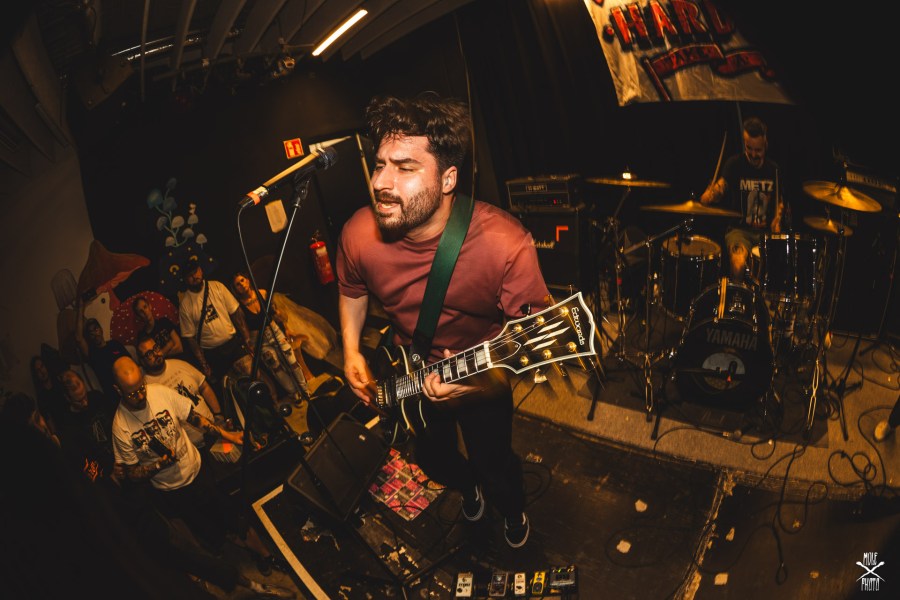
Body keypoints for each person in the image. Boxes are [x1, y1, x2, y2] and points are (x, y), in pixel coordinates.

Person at [336, 93, 550, 549]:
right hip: (409, 370)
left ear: (448, 178)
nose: (381, 182)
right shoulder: (357, 232)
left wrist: (475, 385)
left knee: (494, 463)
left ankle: (511, 511)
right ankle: (467, 487)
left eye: (405, 168)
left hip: (481, 371)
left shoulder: (505, 244)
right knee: (433, 460)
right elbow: (352, 289)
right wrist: (351, 350)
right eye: (380, 165)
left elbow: (531, 349)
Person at [110, 356, 289, 577]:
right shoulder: (120, 427)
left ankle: (266, 555)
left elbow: (195, 418)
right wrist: (158, 465)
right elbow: (132, 474)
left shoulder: (159, 392)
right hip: (173, 492)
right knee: (214, 532)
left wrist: (228, 435)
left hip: (198, 472)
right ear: (118, 390)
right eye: (132, 393)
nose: (140, 396)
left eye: (141, 387)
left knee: (235, 517)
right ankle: (247, 556)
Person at [700, 116, 784, 282]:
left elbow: (779, 204)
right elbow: (719, 189)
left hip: (765, 233)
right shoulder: (734, 164)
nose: (753, 154)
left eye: (758, 150)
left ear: (765, 144)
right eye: (749, 148)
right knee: (738, 262)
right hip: (739, 231)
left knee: (775, 268)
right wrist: (711, 195)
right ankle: (738, 296)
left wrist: (778, 220)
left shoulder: (773, 170)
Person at [231, 271, 312, 405]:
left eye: (242, 280)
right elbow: (244, 329)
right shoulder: (239, 308)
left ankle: (304, 389)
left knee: (291, 361)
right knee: (276, 368)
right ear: (235, 289)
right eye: (237, 284)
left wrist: (286, 328)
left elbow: (276, 312)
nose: (241, 285)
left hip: (275, 331)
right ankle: (294, 393)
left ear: (248, 280)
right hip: (260, 340)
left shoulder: (262, 293)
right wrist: (250, 345)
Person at [136, 334, 224, 449]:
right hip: (190, 448)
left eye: (156, 348)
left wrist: (218, 414)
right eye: (149, 354)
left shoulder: (179, 364)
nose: (156, 354)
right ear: (142, 361)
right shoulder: (146, 388)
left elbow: (204, 387)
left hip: (214, 430)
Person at [178, 259, 253, 384]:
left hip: (233, 344)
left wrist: (247, 340)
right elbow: (190, 338)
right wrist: (204, 364)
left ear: (200, 270)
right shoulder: (185, 305)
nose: (194, 277)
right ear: (185, 279)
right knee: (230, 387)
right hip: (213, 353)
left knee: (253, 374)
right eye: (189, 275)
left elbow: (236, 313)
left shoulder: (217, 286)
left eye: (195, 272)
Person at [74, 295, 132, 397]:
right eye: (91, 333)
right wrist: (80, 308)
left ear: (101, 329)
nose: (94, 334)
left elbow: (130, 362)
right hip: (113, 395)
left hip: (129, 384)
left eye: (95, 329)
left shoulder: (114, 344)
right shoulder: (93, 353)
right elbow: (78, 338)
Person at [133, 294, 185, 360]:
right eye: (141, 311)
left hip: (180, 359)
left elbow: (179, 348)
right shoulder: (142, 336)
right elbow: (152, 360)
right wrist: (169, 345)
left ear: (150, 306)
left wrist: (160, 354)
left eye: (145, 307)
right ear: (138, 317)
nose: (145, 312)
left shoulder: (164, 321)